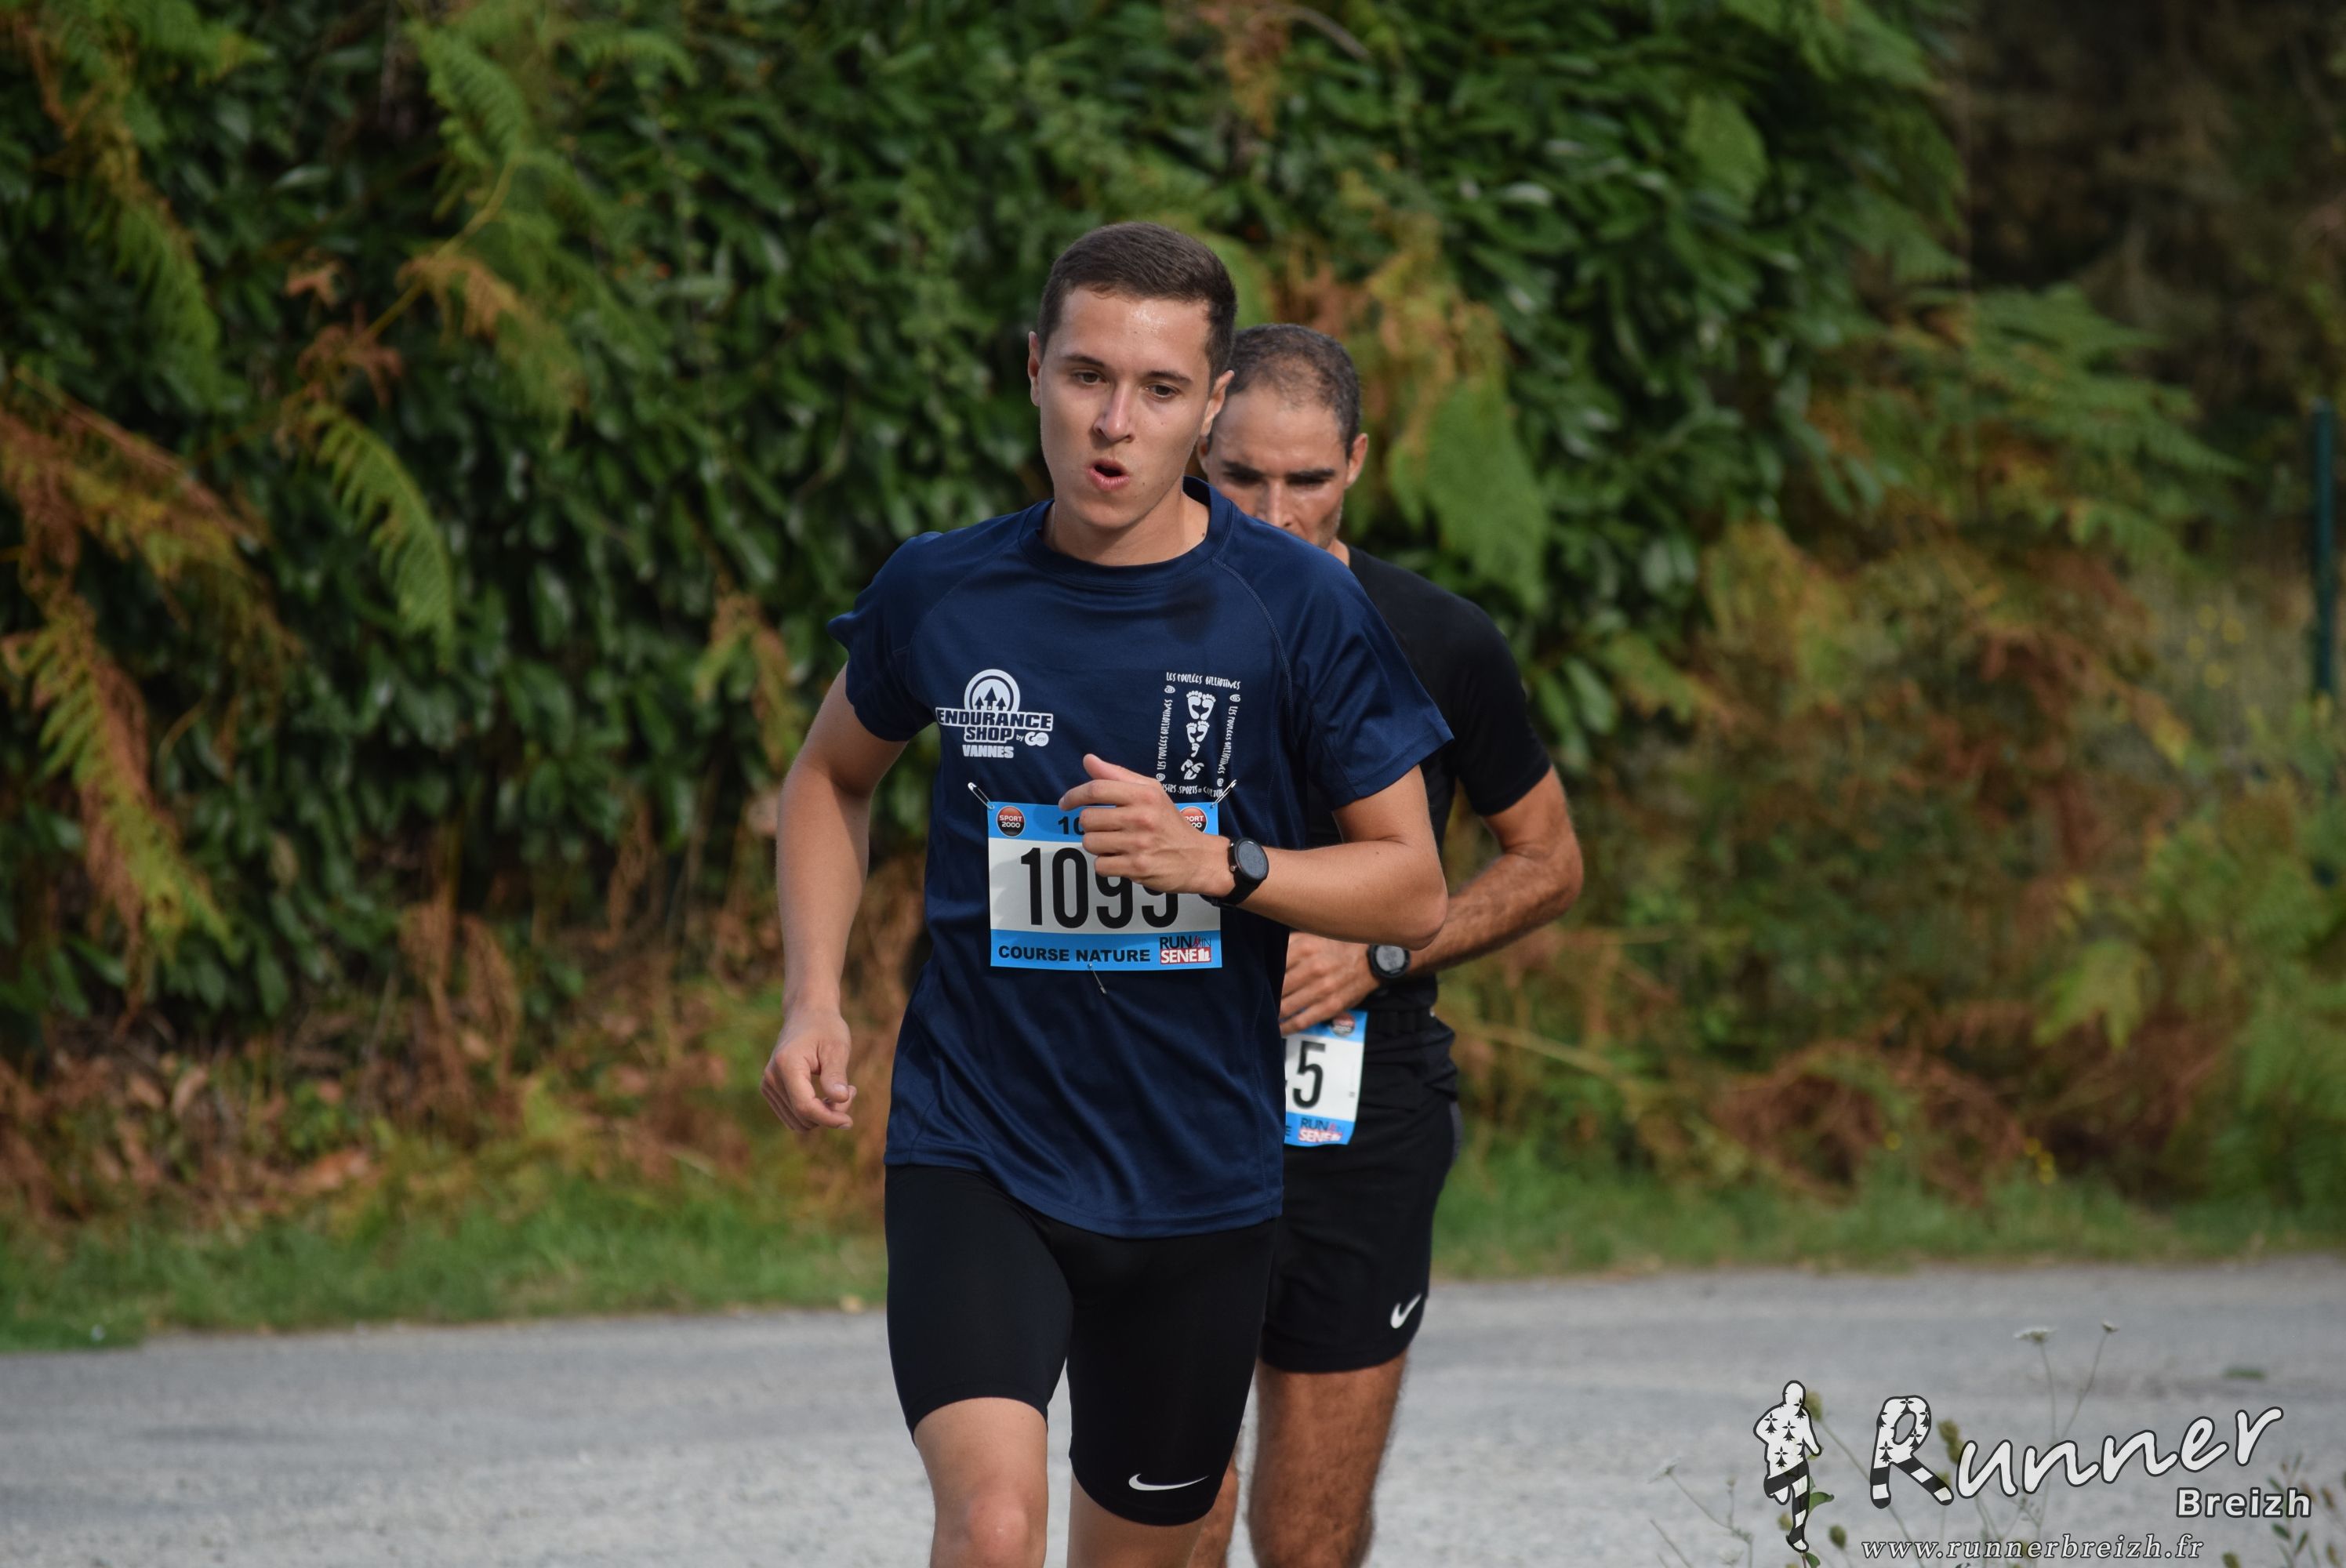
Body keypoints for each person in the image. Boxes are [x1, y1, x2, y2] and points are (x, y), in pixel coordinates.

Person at [759, 226, 1456, 1568]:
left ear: (1209, 407)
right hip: (978, 1140)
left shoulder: (1296, 608)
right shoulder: (942, 587)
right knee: (991, 1526)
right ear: (1034, 370)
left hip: (1198, 1174)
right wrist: (813, 997)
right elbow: (830, 777)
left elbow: (1414, 886)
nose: (1114, 424)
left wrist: (1224, 864)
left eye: (1159, 389)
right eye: (1086, 376)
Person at [1191, 325, 1586, 1568]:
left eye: (1307, 480)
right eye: (1241, 477)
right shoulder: (1123, 618)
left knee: (1308, 1535)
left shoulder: (1441, 638)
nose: (1274, 513)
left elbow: (1549, 860)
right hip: (1165, 1096)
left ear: (1357, 464)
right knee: (1169, 1511)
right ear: (1195, 452)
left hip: (1362, 1107)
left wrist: (1382, 958)